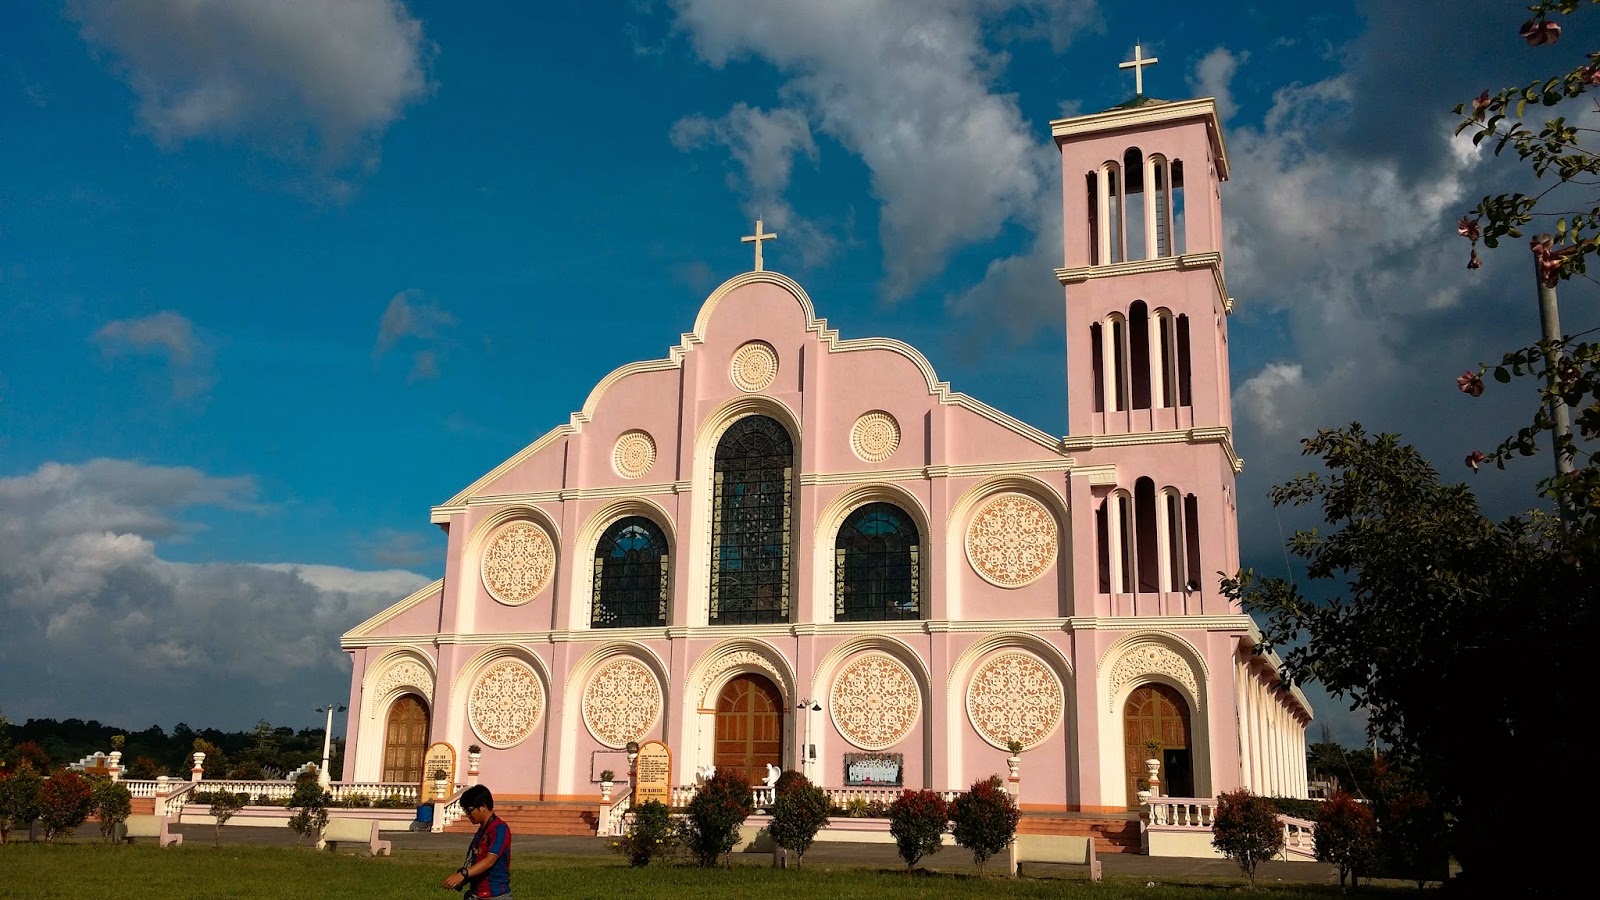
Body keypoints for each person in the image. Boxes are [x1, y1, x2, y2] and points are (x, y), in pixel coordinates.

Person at [442, 785, 511, 898]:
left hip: (495, 894)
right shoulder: (482, 830)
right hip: (475, 893)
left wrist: (463, 875)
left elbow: (490, 861)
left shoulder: (500, 829)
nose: (468, 815)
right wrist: (464, 878)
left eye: (469, 810)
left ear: (483, 806)